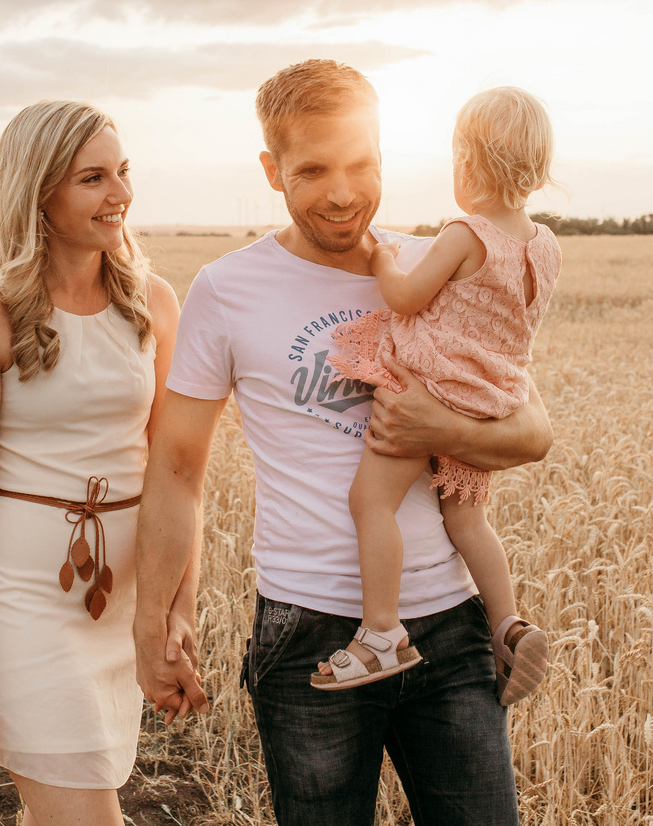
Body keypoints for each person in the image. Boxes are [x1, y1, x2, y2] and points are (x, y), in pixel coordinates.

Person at [134, 60, 554, 826]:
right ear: (272, 170)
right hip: (308, 635)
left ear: (385, 159)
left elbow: (533, 428)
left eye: (362, 165)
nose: (343, 191)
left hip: (453, 629)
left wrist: (445, 431)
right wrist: (156, 616)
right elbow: (176, 467)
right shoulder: (227, 289)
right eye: (314, 169)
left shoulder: (432, 265)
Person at [0, 100, 192, 826]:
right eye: (93, 179)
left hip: (122, 608)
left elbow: (177, 475)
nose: (121, 195)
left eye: (123, 172)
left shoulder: (156, 305)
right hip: (24, 609)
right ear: (40, 193)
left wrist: (177, 609)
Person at [312, 87, 559, 704]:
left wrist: (385, 259)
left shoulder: (465, 233)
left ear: (468, 160)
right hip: (490, 396)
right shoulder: (544, 244)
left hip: (429, 387)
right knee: (467, 518)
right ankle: (508, 625)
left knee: (370, 502)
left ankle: (380, 633)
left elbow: (404, 297)